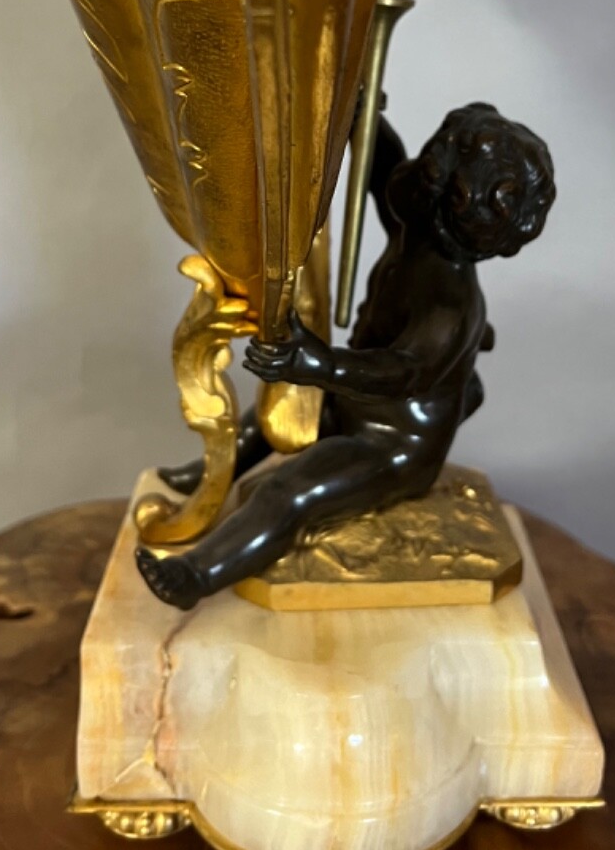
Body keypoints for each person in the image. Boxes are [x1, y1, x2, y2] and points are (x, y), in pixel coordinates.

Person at [136, 102, 556, 609]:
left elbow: (401, 371)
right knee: (268, 419)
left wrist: (317, 364)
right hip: (351, 402)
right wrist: (363, 115)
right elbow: (382, 171)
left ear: (457, 205)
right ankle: (209, 477)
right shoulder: (417, 230)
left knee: (291, 491)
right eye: (432, 153)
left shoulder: (449, 304)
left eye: (433, 168)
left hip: (389, 442)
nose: (418, 172)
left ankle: (194, 575)